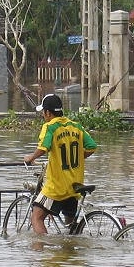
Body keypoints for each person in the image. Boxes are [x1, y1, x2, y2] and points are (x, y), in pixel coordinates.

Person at [24, 94, 97, 234]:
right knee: (70, 227)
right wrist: (77, 157)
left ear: (48, 112)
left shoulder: (50, 127)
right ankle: (69, 252)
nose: (43, 116)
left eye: (43, 113)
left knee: (36, 217)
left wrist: (30, 157)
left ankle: (43, 252)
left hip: (56, 188)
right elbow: (92, 146)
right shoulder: (76, 126)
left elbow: (43, 147)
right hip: (75, 186)